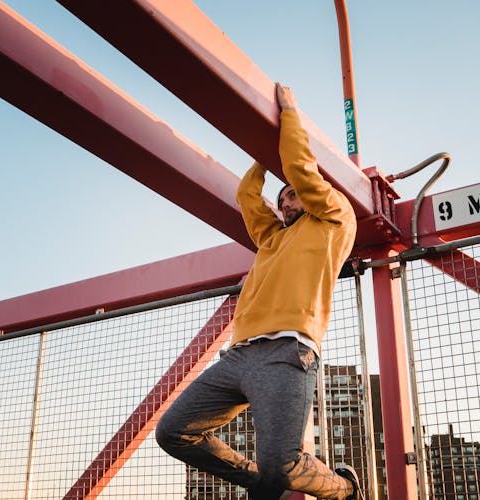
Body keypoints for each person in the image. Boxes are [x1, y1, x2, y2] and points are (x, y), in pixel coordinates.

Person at [156, 83, 362, 499]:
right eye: (281, 199)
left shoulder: (336, 220)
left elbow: (303, 171)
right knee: (173, 432)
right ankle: (256, 479)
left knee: (282, 463)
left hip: (287, 352)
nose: (285, 203)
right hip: (237, 357)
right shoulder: (271, 239)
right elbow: (248, 196)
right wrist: (261, 158)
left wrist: (287, 116)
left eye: (293, 196)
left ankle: (344, 490)